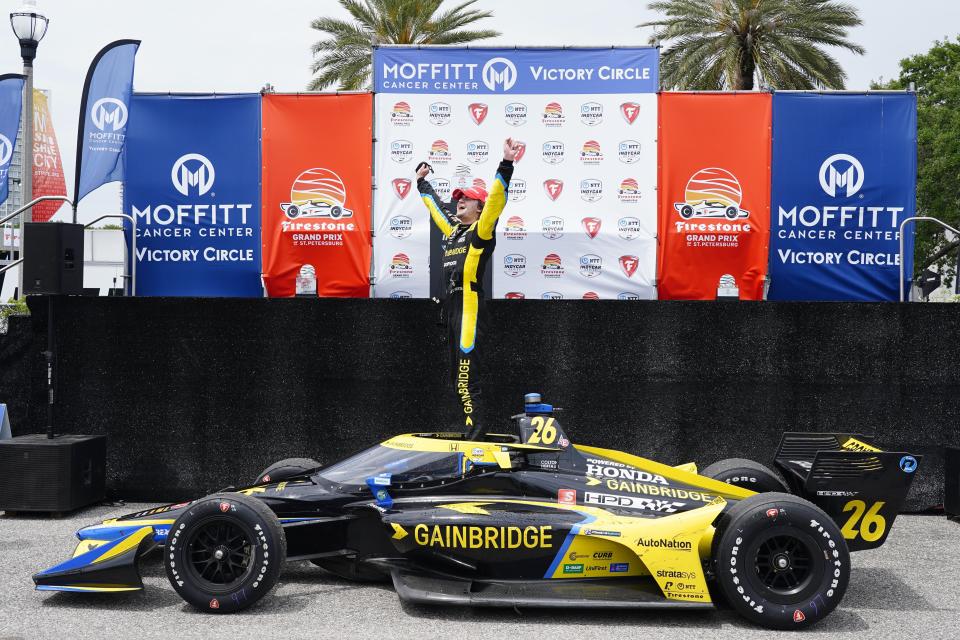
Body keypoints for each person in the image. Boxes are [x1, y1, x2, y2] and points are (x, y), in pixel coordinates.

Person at [416, 138, 522, 440]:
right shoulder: (453, 231)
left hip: (469, 309)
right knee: (455, 378)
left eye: (467, 197)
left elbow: (497, 201)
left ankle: (476, 432)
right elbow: (436, 209)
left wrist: (506, 163)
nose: (460, 199)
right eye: (458, 197)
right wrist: (422, 184)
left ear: (479, 207)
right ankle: (469, 429)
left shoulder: (481, 230)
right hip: (450, 310)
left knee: (465, 377)